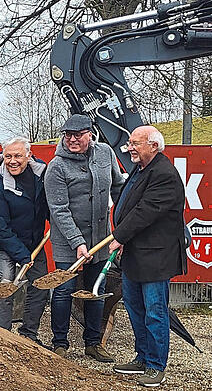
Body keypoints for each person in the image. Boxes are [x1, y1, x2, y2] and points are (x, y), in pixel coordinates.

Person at [109, 126, 186, 387]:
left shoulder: (164, 174)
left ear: (153, 145)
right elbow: (128, 204)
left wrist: (118, 236)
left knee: (154, 312)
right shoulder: (141, 168)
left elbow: (145, 211)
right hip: (135, 254)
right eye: (129, 143)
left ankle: (155, 365)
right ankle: (142, 357)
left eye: (135, 143)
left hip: (156, 257)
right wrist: (121, 236)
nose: (130, 148)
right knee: (135, 308)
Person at [45, 114, 124, 361]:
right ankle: (60, 343)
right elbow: (59, 210)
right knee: (63, 290)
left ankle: (93, 343)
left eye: (78, 135)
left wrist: (121, 228)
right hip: (69, 242)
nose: (72, 140)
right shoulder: (56, 167)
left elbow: (119, 187)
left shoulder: (105, 154)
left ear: (90, 134)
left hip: (100, 238)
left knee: (95, 290)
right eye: (68, 135)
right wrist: (77, 242)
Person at [0, 136, 49, 343]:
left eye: (18, 156)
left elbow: (47, 206)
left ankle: (29, 335)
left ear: (29, 156)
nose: (12, 161)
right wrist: (22, 255)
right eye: (8, 156)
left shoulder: (40, 176)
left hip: (34, 243)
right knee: (6, 287)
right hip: (6, 245)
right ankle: (2, 337)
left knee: (40, 287)